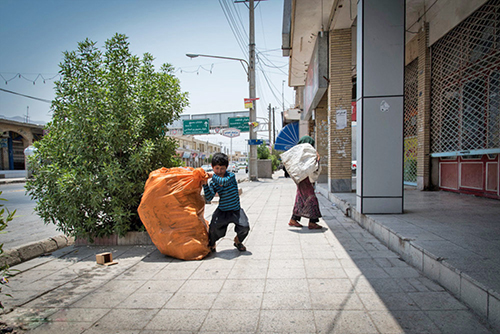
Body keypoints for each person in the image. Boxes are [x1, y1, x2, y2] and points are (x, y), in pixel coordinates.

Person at [203, 152, 249, 252]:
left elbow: (223, 182)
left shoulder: (231, 177)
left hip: (235, 210)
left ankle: (238, 241)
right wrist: (205, 184)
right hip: (222, 210)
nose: (219, 171)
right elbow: (209, 197)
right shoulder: (213, 182)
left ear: (227, 167)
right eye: (217, 168)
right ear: (212, 166)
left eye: (222, 168)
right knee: (213, 229)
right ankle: (212, 244)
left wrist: (211, 175)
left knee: (245, 227)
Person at [288, 135, 324, 229]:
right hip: (305, 180)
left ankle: (294, 219)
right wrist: (317, 158)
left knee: (300, 199)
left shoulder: (299, 153)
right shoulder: (307, 153)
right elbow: (312, 166)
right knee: (312, 199)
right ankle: (312, 222)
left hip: (301, 179)